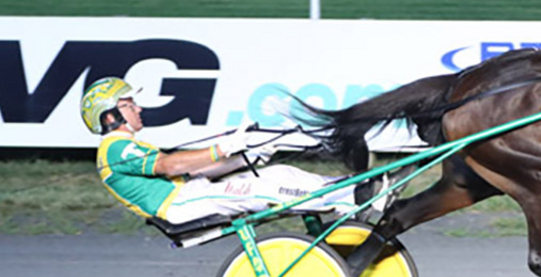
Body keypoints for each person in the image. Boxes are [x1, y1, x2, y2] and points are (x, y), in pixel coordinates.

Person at [81, 76, 368, 225]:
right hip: (181, 206)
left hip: (192, 192)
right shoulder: (114, 149)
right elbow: (170, 166)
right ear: (109, 117)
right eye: (129, 104)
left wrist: (246, 156)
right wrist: (223, 147)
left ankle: (350, 189)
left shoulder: (127, 147)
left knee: (279, 172)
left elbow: (194, 169)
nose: (138, 108)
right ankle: (349, 200)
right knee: (262, 190)